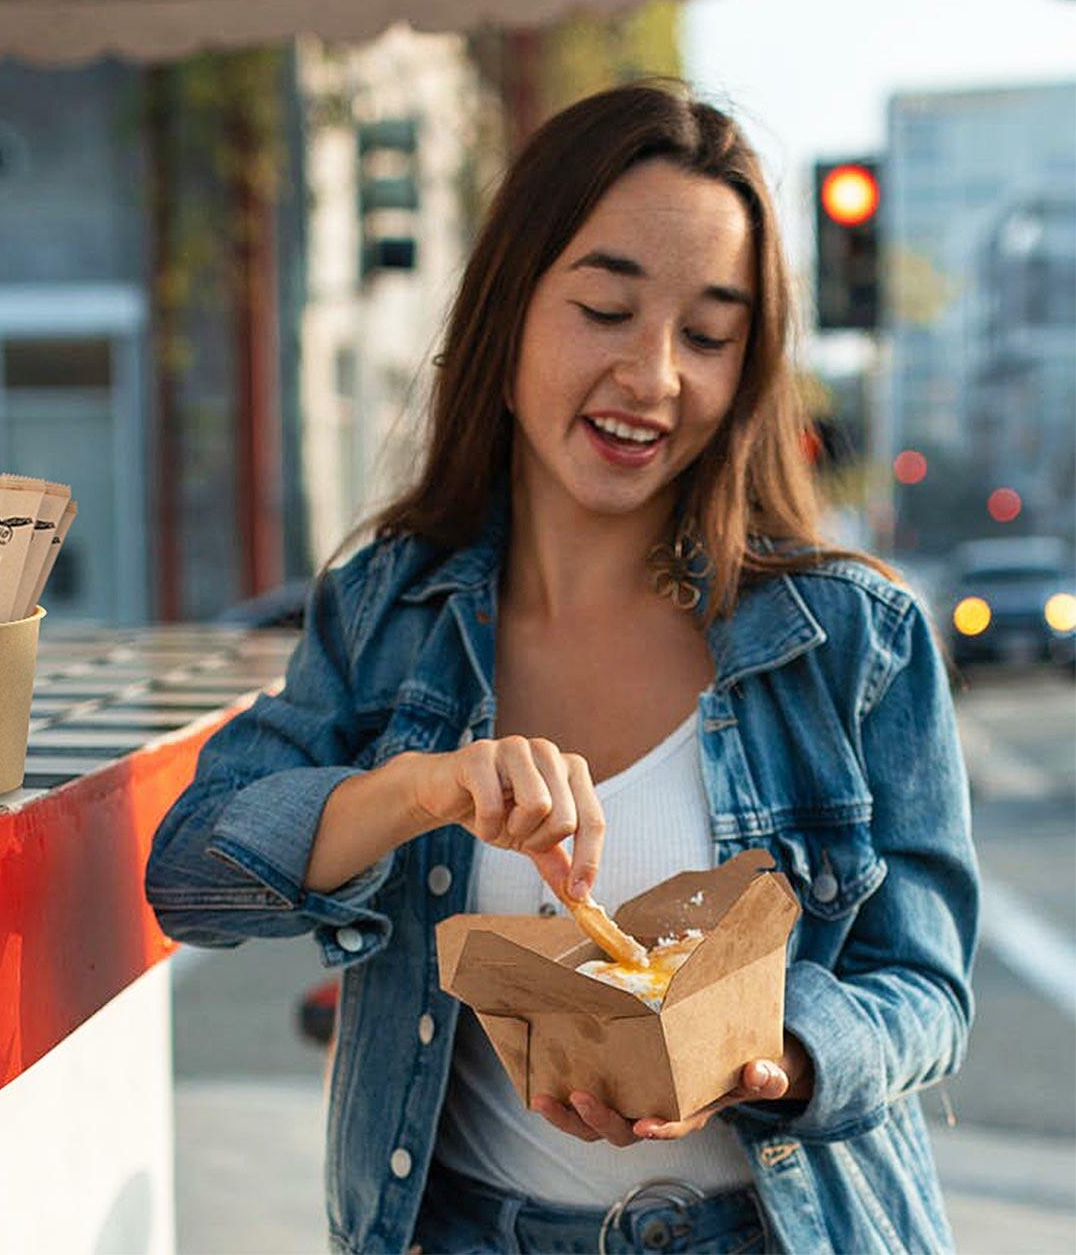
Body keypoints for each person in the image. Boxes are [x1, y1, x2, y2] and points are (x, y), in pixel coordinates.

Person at [145, 81, 978, 1255]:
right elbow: (191, 877)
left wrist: (768, 1051)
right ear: (510, 313)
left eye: (708, 336)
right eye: (605, 309)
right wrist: (418, 790)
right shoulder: (389, 612)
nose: (654, 376)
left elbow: (927, 990)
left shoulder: (849, 636)